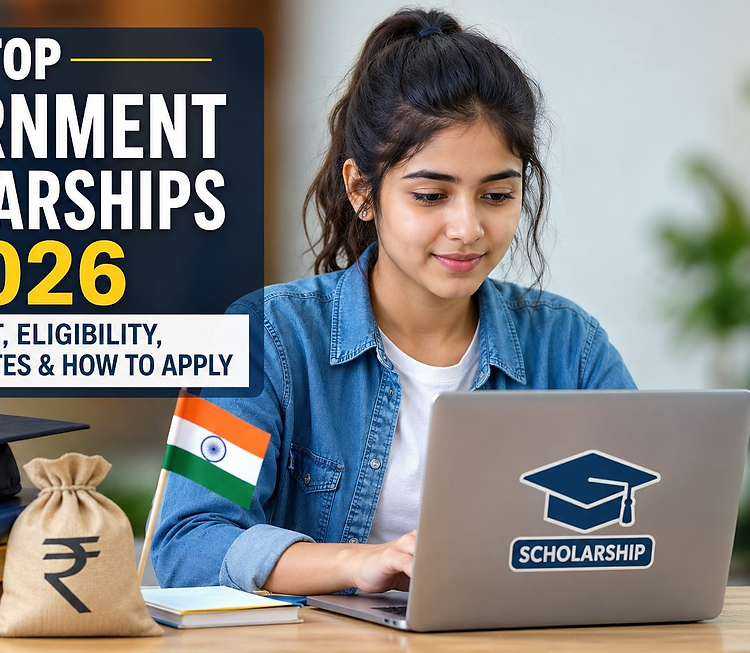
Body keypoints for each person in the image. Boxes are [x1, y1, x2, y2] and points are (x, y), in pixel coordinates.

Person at [150, 7, 635, 596]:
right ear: (362, 190)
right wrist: (356, 563)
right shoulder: (256, 337)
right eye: (431, 195)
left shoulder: (571, 349)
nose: (468, 228)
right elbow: (187, 542)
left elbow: (643, 531)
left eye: (498, 194)